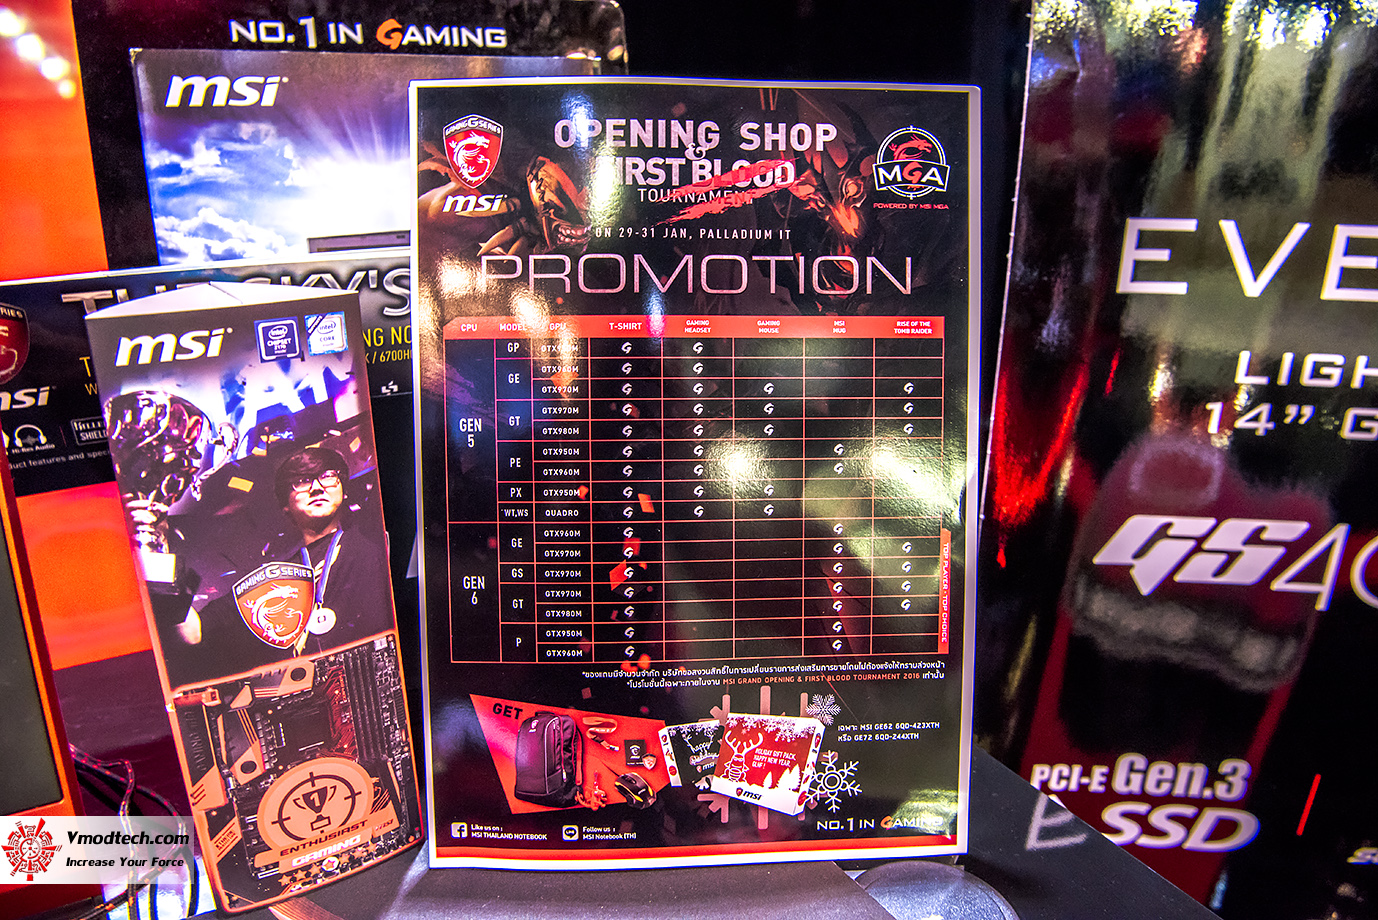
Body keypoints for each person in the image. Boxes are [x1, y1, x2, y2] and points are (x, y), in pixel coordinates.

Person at [269, 446, 395, 648]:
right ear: (285, 504)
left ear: (343, 490)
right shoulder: (276, 574)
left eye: (328, 476)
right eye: (302, 481)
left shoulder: (373, 545)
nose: (317, 488)